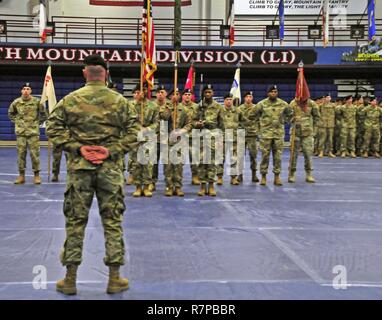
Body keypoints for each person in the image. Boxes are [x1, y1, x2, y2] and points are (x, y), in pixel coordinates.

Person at [46, 54, 140, 295]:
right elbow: (135, 133)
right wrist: (110, 150)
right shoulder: (120, 101)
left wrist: (79, 148)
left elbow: (52, 127)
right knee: (113, 222)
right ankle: (114, 279)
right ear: (106, 73)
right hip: (109, 170)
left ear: (84, 73)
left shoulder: (70, 100)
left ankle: (69, 280)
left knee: (75, 223)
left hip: (80, 170)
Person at [252, 85, 292, 186]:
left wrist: (284, 121)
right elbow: (253, 116)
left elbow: (290, 114)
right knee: (265, 156)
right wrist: (259, 128)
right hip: (266, 135)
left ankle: (277, 177)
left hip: (278, 134)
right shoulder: (262, 104)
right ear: (268, 93)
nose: (273, 93)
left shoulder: (283, 104)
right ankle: (263, 176)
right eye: (271, 92)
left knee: (277, 156)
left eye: (275, 92)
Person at [8, 83, 47, 184]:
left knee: (35, 155)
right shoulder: (16, 102)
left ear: (31, 91)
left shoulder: (37, 102)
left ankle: (36, 176)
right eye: (24, 89)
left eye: (28, 89)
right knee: (21, 154)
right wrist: (17, 122)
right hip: (21, 133)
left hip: (33, 133)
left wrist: (37, 123)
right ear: (21, 91)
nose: (26, 90)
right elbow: (10, 113)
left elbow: (44, 114)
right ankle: (21, 176)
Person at [193, 84, 225, 196]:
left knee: (212, 162)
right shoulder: (199, 106)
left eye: (209, 92)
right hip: (201, 136)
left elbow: (222, 124)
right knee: (202, 161)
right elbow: (192, 121)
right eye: (206, 92)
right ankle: (202, 186)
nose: (207, 94)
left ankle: (211, 185)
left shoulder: (218, 107)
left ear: (213, 93)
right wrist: (197, 123)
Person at [288, 97, 320, 183]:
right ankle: (291, 174)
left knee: (308, 154)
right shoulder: (293, 103)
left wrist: (314, 131)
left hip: (307, 133)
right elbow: (286, 117)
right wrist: (292, 119)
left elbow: (317, 117)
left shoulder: (311, 103)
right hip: (296, 133)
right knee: (293, 155)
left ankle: (309, 174)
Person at [217, 93, 242, 185]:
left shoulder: (237, 111)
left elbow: (242, 122)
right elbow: (216, 122)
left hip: (234, 138)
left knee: (234, 158)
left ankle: (233, 177)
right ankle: (219, 177)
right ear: (224, 101)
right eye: (227, 99)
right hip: (222, 138)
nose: (229, 101)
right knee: (220, 158)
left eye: (230, 99)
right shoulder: (219, 111)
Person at [238, 91, 259, 183]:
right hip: (241, 135)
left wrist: (258, 131)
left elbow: (260, 120)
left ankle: (254, 175)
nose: (248, 98)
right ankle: (240, 175)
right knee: (240, 156)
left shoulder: (256, 108)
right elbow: (236, 121)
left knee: (253, 156)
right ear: (244, 98)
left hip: (252, 135)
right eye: (247, 97)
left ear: (252, 98)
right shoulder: (239, 109)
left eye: (250, 96)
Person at [180, 89, 199, 184]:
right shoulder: (178, 107)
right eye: (185, 94)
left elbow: (200, 119)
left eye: (189, 94)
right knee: (179, 159)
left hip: (193, 136)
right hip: (181, 137)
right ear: (182, 96)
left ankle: (195, 176)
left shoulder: (197, 107)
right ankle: (178, 177)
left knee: (195, 158)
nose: (187, 96)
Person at [317, 93, 336, 158]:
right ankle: (321, 151)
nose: (328, 99)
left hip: (331, 124)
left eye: (329, 97)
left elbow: (337, 114)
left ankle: (330, 151)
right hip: (323, 124)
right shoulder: (320, 106)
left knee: (330, 139)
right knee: (322, 139)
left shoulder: (333, 106)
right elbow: (317, 114)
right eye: (327, 97)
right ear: (324, 98)